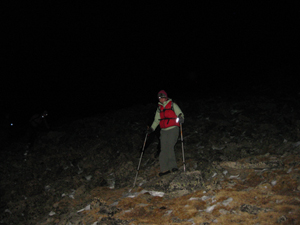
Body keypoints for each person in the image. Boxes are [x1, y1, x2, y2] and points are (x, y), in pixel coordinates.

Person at [147, 90, 184, 176]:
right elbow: (156, 120)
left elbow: (180, 114)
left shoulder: (172, 105)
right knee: (163, 149)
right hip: (163, 131)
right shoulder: (159, 109)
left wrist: (181, 118)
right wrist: (152, 128)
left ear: (166, 97)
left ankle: (173, 167)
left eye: (163, 97)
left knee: (169, 146)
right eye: (160, 98)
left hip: (173, 129)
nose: (161, 99)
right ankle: (164, 169)